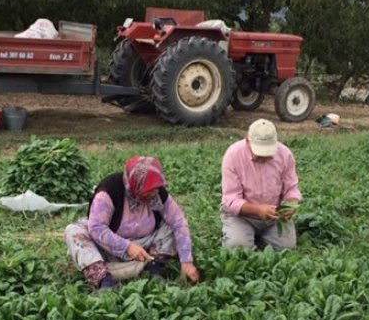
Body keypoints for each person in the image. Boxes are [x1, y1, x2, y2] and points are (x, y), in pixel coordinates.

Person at [64, 156, 201, 290]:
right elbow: (96, 228)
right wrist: (127, 247)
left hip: (145, 250)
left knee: (171, 226)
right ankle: (105, 280)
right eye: (149, 190)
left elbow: (178, 221)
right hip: (108, 249)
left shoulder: (157, 192)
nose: (154, 193)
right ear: (136, 184)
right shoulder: (110, 190)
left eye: (155, 189)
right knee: (74, 232)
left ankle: (154, 268)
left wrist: (186, 261)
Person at [221, 119, 302, 250]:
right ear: (248, 141)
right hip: (242, 216)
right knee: (237, 248)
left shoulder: (285, 155)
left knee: (286, 248)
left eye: (268, 153)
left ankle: (257, 236)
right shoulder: (233, 155)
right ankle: (241, 233)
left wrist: (290, 204)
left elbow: (291, 188)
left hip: (274, 217)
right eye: (259, 153)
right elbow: (231, 200)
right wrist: (259, 210)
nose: (264, 158)